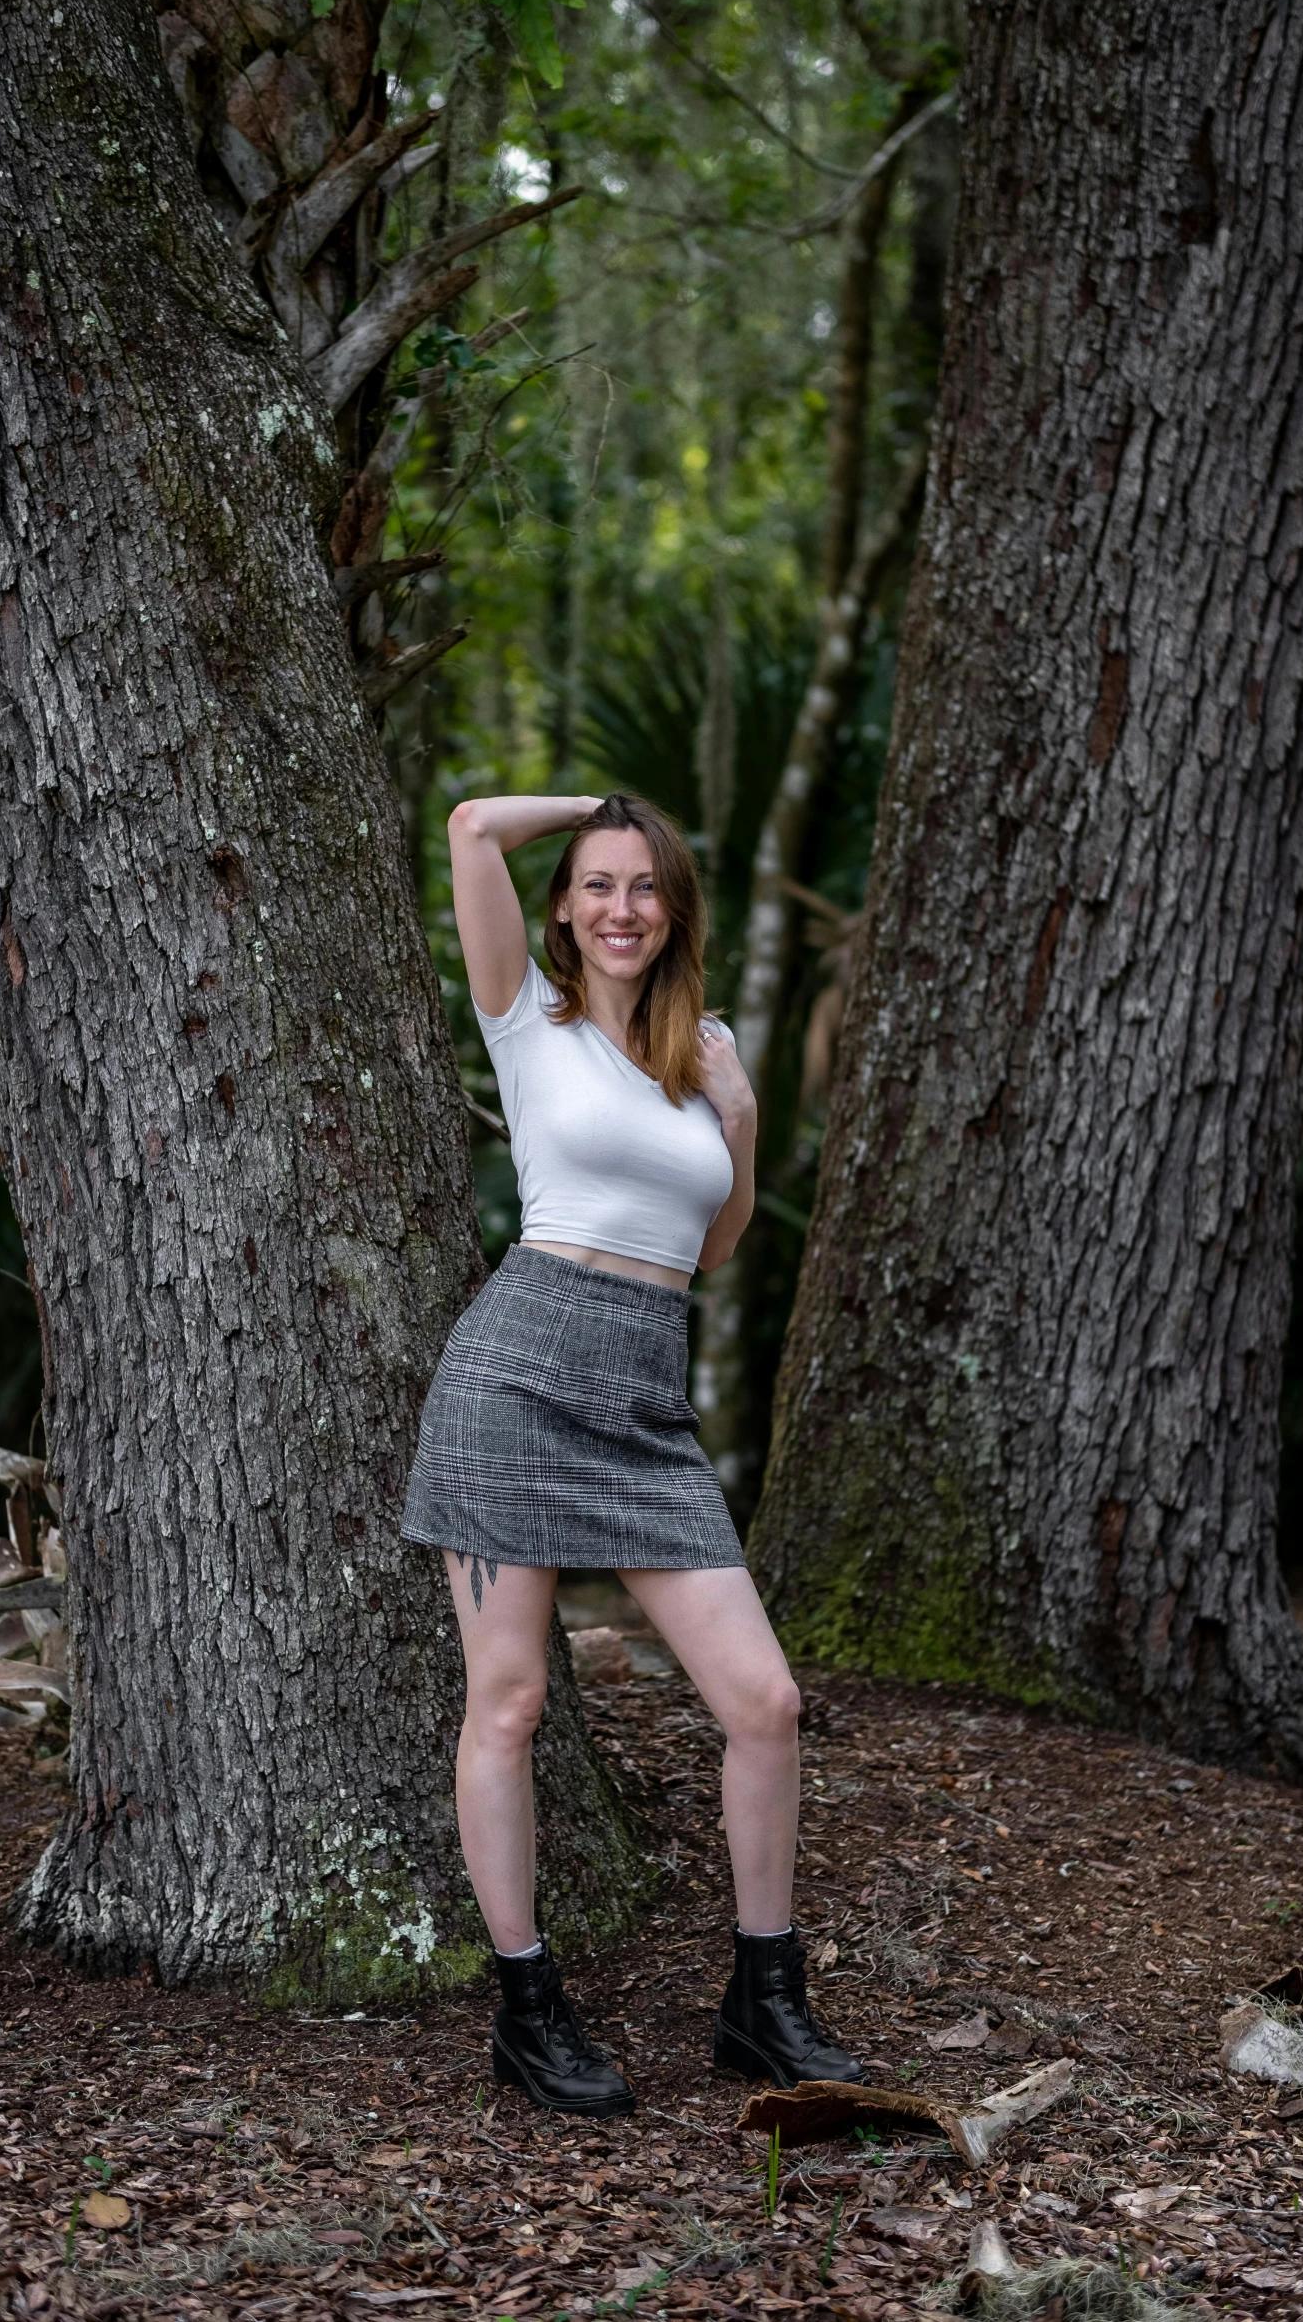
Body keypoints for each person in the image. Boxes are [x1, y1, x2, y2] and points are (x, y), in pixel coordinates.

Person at [402, 789, 865, 2120]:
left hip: (644, 1405)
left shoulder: (695, 1053)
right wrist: (609, 803)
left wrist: (741, 1112)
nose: (619, 907)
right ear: (565, 905)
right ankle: (528, 2010)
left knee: (762, 1701)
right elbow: (473, 825)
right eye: (598, 882)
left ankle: (761, 2002)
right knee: (509, 1704)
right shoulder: (525, 1019)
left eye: (643, 886)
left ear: (674, 912)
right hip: (513, 1377)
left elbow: (708, 1250)